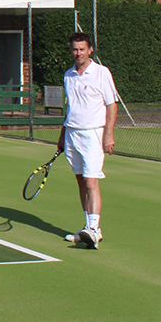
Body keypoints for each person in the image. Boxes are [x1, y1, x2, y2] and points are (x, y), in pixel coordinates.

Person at [60, 32, 118, 250]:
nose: (78, 53)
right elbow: (70, 109)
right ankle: (88, 227)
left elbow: (112, 104)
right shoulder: (68, 75)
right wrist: (62, 136)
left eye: (82, 49)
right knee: (80, 180)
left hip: (94, 133)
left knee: (92, 181)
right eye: (75, 49)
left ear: (90, 50)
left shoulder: (101, 73)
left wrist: (108, 134)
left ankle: (94, 229)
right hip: (72, 133)